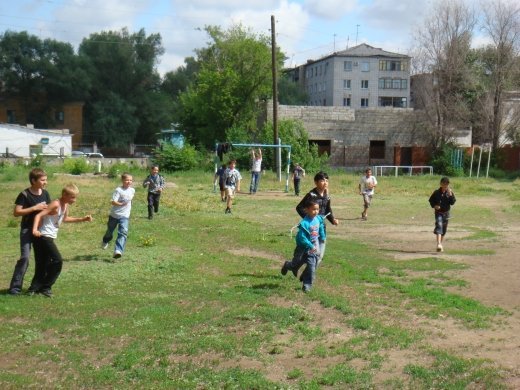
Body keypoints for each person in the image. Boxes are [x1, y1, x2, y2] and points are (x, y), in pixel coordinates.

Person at [29, 184, 92, 297]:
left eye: (75, 197)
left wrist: (82, 219)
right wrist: (35, 230)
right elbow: (38, 216)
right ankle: (46, 287)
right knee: (58, 260)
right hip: (43, 235)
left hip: (49, 236)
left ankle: (34, 288)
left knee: (43, 263)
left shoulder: (65, 205)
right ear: (64, 194)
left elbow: (66, 218)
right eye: (72, 197)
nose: (74, 200)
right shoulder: (56, 204)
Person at [8, 168, 51, 295]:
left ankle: (38, 287)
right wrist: (34, 208)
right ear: (33, 180)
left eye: (46, 180)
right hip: (27, 230)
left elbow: (48, 210)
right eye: (43, 180)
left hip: (40, 230)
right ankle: (15, 288)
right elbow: (16, 212)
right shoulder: (24, 194)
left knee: (42, 259)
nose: (45, 182)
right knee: (25, 257)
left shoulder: (45, 194)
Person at [281, 199, 325, 293]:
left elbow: (320, 226)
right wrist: (310, 245)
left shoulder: (318, 219)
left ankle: (307, 285)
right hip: (302, 248)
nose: (316, 211)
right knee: (295, 264)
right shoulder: (304, 223)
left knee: (312, 266)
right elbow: (302, 238)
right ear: (307, 210)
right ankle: (287, 265)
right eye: (313, 209)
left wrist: (322, 236)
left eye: (317, 209)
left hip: (313, 246)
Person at [296, 171, 338, 267]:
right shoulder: (311, 195)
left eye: (327, 181)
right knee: (311, 253)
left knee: (319, 255)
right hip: (311, 229)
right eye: (322, 180)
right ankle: (297, 267)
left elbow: (328, 210)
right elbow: (299, 207)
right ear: (316, 182)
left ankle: (307, 273)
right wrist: (310, 218)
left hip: (322, 228)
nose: (325, 183)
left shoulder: (327, 196)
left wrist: (333, 220)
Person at [101, 173, 135, 258]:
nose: (129, 182)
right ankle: (105, 240)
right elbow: (113, 201)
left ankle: (118, 250)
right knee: (109, 231)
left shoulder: (132, 190)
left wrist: (128, 209)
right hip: (114, 215)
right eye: (127, 180)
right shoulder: (118, 190)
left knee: (123, 232)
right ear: (122, 180)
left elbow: (130, 201)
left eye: (131, 180)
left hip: (125, 216)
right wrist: (120, 204)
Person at [429, 176, 456, 252]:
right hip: (438, 213)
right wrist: (434, 206)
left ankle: (440, 244)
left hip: (446, 214)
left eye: (446, 184)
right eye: (443, 184)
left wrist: (450, 195)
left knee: (444, 230)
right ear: (440, 184)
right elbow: (431, 201)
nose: (445, 186)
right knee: (439, 226)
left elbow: (453, 202)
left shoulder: (449, 193)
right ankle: (438, 244)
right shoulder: (436, 192)